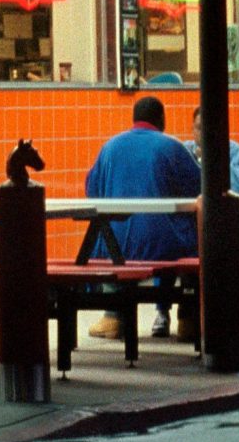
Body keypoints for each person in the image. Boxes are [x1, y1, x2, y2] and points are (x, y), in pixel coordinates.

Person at [84, 95, 199, 340]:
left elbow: (92, 190)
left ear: (134, 119)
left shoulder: (110, 147)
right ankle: (188, 316)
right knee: (194, 242)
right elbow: (200, 187)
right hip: (165, 245)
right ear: (162, 120)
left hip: (117, 246)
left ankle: (113, 316)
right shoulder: (172, 147)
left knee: (108, 242)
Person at [187, 105, 239, 253]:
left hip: (234, 233)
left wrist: (212, 160)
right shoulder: (184, 151)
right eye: (199, 128)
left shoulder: (234, 151)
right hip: (196, 235)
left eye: (209, 128)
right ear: (192, 130)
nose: (204, 133)